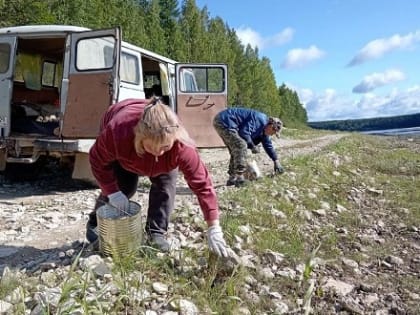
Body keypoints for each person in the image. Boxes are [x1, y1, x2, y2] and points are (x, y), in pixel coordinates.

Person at [86, 97, 231, 257]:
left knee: (165, 188)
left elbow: (203, 185)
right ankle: (95, 222)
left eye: (164, 147)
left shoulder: (181, 146)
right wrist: (112, 191)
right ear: (140, 137)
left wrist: (214, 227)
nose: (158, 153)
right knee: (125, 186)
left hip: (161, 156)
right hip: (126, 144)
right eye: (150, 147)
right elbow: (97, 160)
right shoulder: (118, 132)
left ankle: (155, 233)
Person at [213, 107, 284, 187]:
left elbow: (268, 145)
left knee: (236, 150)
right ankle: (240, 178)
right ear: (271, 126)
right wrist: (252, 146)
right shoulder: (259, 120)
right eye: (273, 132)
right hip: (225, 121)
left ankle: (232, 178)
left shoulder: (264, 129)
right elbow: (244, 133)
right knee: (241, 145)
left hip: (223, 121)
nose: (272, 135)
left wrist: (276, 161)